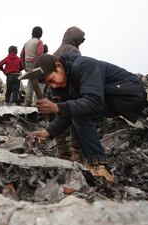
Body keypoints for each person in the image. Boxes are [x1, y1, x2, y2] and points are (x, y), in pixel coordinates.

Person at [28, 54, 147, 183]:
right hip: (111, 96)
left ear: (58, 65)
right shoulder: (65, 83)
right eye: (48, 84)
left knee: (79, 109)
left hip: (130, 92)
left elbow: (93, 102)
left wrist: (56, 107)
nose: (53, 86)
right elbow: (67, 113)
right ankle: (95, 163)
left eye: (52, 79)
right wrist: (48, 132)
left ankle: (98, 166)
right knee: (76, 108)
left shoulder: (83, 65)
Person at [52, 26, 85, 161]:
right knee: (75, 120)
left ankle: (61, 150)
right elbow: (77, 71)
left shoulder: (55, 52)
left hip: (56, 93)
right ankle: (76, 152)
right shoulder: (74, 50)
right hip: (71, 92)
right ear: (75, 38)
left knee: (60, 119)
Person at [20, 26, 44, 106]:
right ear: (40, 34)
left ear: (32, 33)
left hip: (27, 64)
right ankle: (37, 102)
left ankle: (27, 102)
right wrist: (35, 65)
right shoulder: (39, 42)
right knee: (39, 82)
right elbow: (39, 54)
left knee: (30, 82)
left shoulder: (27, 43)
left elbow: (21, 55)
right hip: (35, 63)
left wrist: (24, 66)